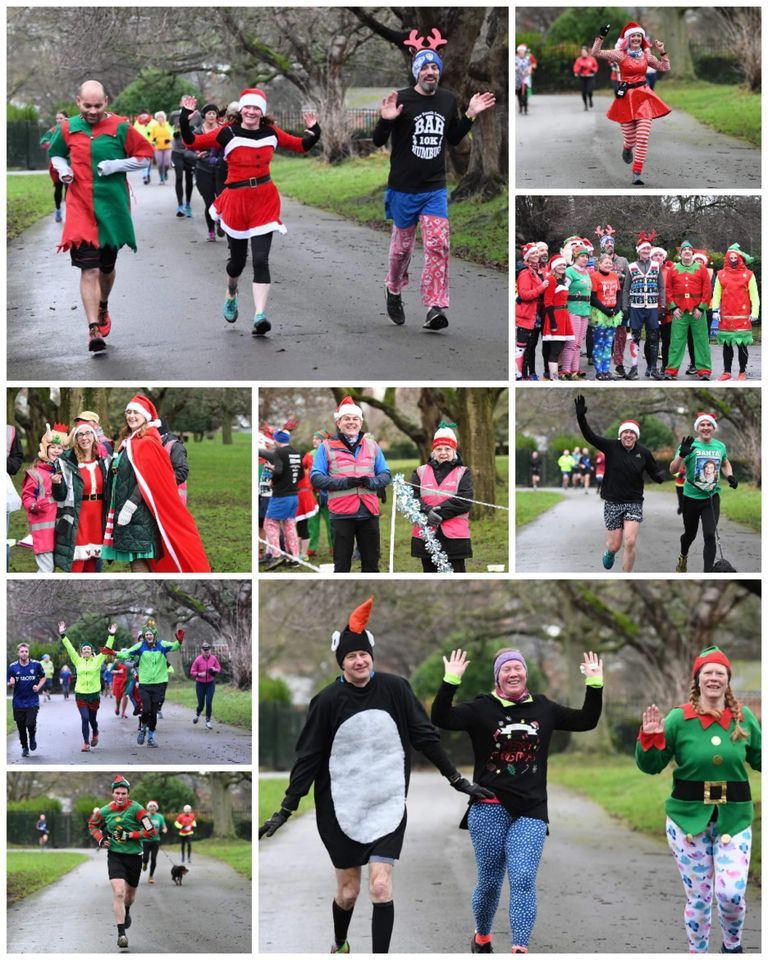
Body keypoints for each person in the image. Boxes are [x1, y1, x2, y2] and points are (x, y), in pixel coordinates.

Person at [259, 597, 491, 954]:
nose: (359, 660)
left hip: (386, 803)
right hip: (340, 808)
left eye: (363, 654)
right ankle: (340, 942)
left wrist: (456, 779)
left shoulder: (396, 689)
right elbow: (308, 759)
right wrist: (286, 809)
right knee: (348, 892)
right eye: (351, 656)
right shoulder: (326, 701)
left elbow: (425, 737)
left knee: (381, 886)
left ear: (371, 654)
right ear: (342, 662)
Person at [432, 647, 603, 953]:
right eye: (506, 669)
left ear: (525, 673)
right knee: (489, 883)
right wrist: (451, 680)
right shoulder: (482, 708)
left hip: (532, 809)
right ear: (497, 676)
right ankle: (482, 936)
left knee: (523, 877)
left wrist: (594, 683)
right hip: (489, 807)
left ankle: (519, 948)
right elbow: (441, 717)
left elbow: (586, 720)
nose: (513, 673)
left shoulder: (543, 708)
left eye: (517, 668)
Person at [637, 646, 760, 954]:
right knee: (700, 898)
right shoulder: (679, 719)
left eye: (720, 673)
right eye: (708, 673)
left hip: (735, 818)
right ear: (698, 680)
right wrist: (651, 738)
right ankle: (698, 952)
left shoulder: (743, 719)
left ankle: (732, 947)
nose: (714, 678)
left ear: (728, 680)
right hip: (686, 821)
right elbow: (652, 766)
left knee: (731, 894)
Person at [374, 30, 496, 331]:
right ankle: (393, 287)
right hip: (403, 189)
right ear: (417, 71)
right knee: (401, 250)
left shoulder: (446, 99)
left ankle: (434, 306)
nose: (431, 71)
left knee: (439, 245)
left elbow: (453, 138)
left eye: (435, 68)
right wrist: (385, 119)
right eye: (425, 67)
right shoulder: (400, 99)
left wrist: (468, 114)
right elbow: (378, 141)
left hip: (434, 189)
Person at [180, 90, 320, 336]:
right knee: (237, 262)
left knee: (260, 259)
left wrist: (314, 130)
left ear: (262, 112)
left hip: (264, 199)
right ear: (241, 110)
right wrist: (185, 118)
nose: (252, 112)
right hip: (236, 200)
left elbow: (300, 146)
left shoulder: (272, 133)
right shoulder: (227, 132)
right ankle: (232, 290)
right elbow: (192, 143)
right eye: (248, 108)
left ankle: (259, 315)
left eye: (257, 108)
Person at [46, 80, 154, 352]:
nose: (92, 111)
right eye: (87, 105)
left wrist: (117, 164)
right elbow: (57, 154)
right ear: (78, 102)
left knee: (106, 267)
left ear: (106, 101)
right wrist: (63, 170)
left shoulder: (121, 127)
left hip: (111, 207)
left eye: (97, 105)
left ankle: (103, 304)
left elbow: (145, 157)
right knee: (89, 268)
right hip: (80, 205)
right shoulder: (67, 127)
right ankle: (93, 329)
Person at [101, 395, 210, 572]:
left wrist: (129, 506)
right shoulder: (131, 441)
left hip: (138, 511)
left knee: (138, 558)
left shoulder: (147, 442)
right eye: (128, 412)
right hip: (125, 506)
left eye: (136, 412)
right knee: (137, 558)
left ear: (146, 416)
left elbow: (149, 479)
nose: (131, 416)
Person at [574, 394, 665, 572]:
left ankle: (626, 575)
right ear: (620, 435)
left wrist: (660, 476)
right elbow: (590, 437)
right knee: (615, 545)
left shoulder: (644, 453)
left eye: (632, 433)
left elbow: (655, 471)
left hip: (634, 502)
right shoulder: (610, 447)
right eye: (625, 432)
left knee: (630, 542)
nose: (628, 435)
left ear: (636, 436)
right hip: (613, 502)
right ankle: (610, 552)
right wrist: (581, 417)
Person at [310, 397, 391, 573]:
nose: (351, 422)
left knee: (371, 566)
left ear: (361, 422)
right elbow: (316, 478)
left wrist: (373, 482)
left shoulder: (372, 446)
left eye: (355, 419)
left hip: (369, 513)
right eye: (346, 419)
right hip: (341, 515)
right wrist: (344, 483)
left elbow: (386, 474)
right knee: (341, 567)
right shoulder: (325, 447)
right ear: (339, 422)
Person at [591, 21, 670, 185]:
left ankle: (637, 172)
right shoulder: (620, 54)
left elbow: (664, 68)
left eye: (638, 36)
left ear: (642, 39)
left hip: (644, 97)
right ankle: (627, 147)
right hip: (626, 98)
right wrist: (601, 36)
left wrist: (662, 52)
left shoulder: (646, 56)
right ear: (628, 39)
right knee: (631, 139)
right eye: (633, 35)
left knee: (642, 138)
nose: (636, 38)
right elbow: (595, 52)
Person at [88, 774, 157, 949]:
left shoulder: (137, 809)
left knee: (129, 896)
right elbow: (92, 825)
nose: (120, 796)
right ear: (112, 794)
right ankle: (121, 934)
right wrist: (101, 839)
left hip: (134, 856)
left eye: (123, 793)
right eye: (117, 793)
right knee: (118, 892)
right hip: (115, 856)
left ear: (128, 794)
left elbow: (152, 831)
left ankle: (127, 912)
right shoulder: (104, 811)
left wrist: (130, 835)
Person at [669, 413, 737, 573]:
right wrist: (681, 455)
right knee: (689, 535)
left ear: (713, 428)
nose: (706, 427)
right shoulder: (689, 445)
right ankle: (683, 557)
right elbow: (672, 470)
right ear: (698, 428)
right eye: (702, 425)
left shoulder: (720, 446)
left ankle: (708, 573)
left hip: (711, 497)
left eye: (709, 425)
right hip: (691, 497)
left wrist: (730, 475)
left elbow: (725, 463)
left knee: (709, 535)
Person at [111, 617, 184, 748]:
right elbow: (126, 654)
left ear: (154, 635)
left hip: (159, 683)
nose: (148, 636)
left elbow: (175, 646)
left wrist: (179, 641)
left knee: (154, 712)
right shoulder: (140, 646)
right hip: (145, 684)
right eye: (146, 635)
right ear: (144, 636)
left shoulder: (162, 645)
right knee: (146, 710)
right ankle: (143, 728)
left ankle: (151, 737)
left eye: (150, 634)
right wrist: (113, 653)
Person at [410, 422, 473, 573]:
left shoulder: (463, 472)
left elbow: (464, 500)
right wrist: (427, 512)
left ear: (454, 450)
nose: (443, 452)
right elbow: (413, 498)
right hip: (426, 535)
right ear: (433, 451)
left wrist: (438, 514)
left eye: (447, 449)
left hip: (454, 536)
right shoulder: (420, 472)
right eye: (439, 449)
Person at [52, 420, 110, 572]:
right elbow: (60, 496)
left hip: (98, 516)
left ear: (94, 436)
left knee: (93, 563)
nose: (85, 438)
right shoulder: (66, 463)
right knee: (77, 564)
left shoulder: (105, 461)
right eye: (80, 435)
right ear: (76, 439)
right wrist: (57, 485)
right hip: (78, 516)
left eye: (88, 433)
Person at [58, 619, 117, 751]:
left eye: (88, 649)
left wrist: (111, 635)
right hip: (81, 695)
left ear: (91, 651)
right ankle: (86, 743)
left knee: (92, 719)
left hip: (94, 695)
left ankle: (95, 732)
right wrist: (63, 635)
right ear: (81, 651)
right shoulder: (77, 660)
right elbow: (69, 648)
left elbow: (107, 649)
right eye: (84, 649)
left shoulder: (97, 660)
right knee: (85, 718)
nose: (86, 650)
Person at [21, 422, 69, 573]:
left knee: (51, 569)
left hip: (59, 529)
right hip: (42, 527)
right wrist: (35, 506)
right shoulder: (36, 473)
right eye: (53, 447)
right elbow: (27, 497)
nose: (56, 451)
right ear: (45, 448)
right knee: (46, 569)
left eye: (59, 448)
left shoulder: (66, 472)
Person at [664, 241, 712, 380]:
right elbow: (668, 290)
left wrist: (702, 308)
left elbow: (707, 290)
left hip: (697, 312)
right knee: (676, 341)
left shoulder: (701, 268)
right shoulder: (674, 269)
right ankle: (671, 370)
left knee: (701, 341)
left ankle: (704, 370)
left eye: (689, 250)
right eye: (684, 250)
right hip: (680, 312)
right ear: (681, 253)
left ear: (692, 253)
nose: (686, 252)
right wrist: (673, 307)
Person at [621, 234, 666, 380]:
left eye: (648, 248)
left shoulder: (656, 266)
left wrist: (663, 305)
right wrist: (625, 307)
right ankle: (634, 368)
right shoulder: (632, 267)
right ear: (639, 251)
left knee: (653, 337)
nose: (646, 251)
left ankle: (653, 368)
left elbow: (661, 287)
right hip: (636, 307)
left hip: (652, 307)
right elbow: (626, 289)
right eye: (644, 249)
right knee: (635, 337)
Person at [259, 428, 304, 571]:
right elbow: (301, 474)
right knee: (290, 526)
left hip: (281, 496)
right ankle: (294, 558)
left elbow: (278, 470)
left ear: (277, 440)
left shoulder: (279, 452)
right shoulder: (296, 452)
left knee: (269, 524)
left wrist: (273, 476)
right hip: (293, 496)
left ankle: (276, 555)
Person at [713, 243, 759, 382]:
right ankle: (726, 372)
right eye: (730, 258)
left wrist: (755, 311)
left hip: (742, 315)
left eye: (735, 258)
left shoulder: (748, 275)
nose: (733, 260)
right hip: (726, 315)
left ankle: (742, 371)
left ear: (739, 258)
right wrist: (715, 309)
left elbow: (754, 295)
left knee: (742, 345)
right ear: (727, 258)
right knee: (727, 345)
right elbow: (716, 294)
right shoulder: (721, 274)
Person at [191, 102, 224, 241]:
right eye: (209, 113)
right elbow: (189, 148)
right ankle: (211, 230)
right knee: (209, 202)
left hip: (220, 170)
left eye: (214, 113)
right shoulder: (198, 131)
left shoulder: (223, 130)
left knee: (222, 201)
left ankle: (221, 222)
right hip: (203, 170)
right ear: (204, 116)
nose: (211, 116)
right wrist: (196, 155)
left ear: (217, 116)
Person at [7, 643, 46, 758]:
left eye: (26, 651)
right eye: (22, 651)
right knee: (21, 727)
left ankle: (32, 737)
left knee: (30, 723)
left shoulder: (36, 665)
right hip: (18, 702)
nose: (24, 653)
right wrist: (10, 683)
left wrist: (38, 687)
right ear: (18, 653)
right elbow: (8, 682)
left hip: (32, 701)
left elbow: (43, 677)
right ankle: (24, 747)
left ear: (28, 652)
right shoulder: (12, 667)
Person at [515, 244, 548, 380]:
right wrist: (541, 288)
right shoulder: (525, 273)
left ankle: (526, 375)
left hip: (536, 314)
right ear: (527, 257)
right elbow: (523, 295)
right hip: (526, 314)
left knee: (529, 345)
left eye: (537, 253)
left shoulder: (536, 272)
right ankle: (520, 375)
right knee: (523, 347)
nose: (536, 255)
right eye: (533, 253)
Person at [589, 252, 623, 380]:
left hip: (613, 313)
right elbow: (593, 297)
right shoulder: (594, 276)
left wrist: (617, 308)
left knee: (609, 344)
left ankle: (606, 369)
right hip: (600, 313)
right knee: (599, 343)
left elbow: (618, 293)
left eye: (610, 263)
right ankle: (599, 371)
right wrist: (605, 310)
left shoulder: (614, 276)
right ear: (599, 264)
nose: (608, 265)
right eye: (606, 263)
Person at [541, 255, 574, 380]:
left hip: (564, 316)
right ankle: (554, 377)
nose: (562, 267)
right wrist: (553, 323)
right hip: (555, 317)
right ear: (554, 267)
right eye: (560, 265)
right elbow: (548, 302)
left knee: (560, 348)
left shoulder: (563, 281)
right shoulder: (551, 280)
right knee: (554, 350)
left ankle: (556, 375)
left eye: (564, 265)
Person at [306, 431, 333, 557]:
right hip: (312, 494)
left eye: (317, 438)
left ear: (323, 441)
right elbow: (303, 471)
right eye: (313, 438)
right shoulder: (309, 455)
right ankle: (311, 547)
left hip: (327, 494)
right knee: (312, 522)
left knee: (331, 522)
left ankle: (334, 547)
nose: (314, 440)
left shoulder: (331, 454)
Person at [39, 110, 69, 222]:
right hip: (56, 164)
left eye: (61, 118)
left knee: (69, 188)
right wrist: (48, 143)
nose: (58, 120)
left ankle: (69, 212)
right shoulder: (53, 129)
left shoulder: (71, 129)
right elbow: (43, 140)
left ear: (66, 119)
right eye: (57, 118)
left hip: (68, 163)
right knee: (58, 188)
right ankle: (58, 211)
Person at [169, 107, 197, 217]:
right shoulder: (176, 119)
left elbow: (197, 136)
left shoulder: (194, 122)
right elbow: (171, 131)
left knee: (189, 180)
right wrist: (175, 133)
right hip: (177, 154)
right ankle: (180, 206)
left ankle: (188, 205)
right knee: (179, 178)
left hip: (188, 154)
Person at [190, 641, 221, 729]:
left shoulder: (214, 658)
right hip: (200, 684)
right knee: (201, 704)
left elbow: (219, 668)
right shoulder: (198, 659)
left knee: (209, 702)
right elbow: (192, 672)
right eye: (204, 650)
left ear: (210, 650)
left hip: (210, 683)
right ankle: (197, 714)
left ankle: (208, 720)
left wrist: (215, 669)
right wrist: (199, 674)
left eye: (208, 650)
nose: (206, 652)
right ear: (201, 651)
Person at [141, 800, 167, 884]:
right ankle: (144, 863)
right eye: (150, 806)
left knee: (153, 858)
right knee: (145, 858)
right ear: (148, 808)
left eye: (154, 806)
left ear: (156, 808)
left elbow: (164, 827)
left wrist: (164, 830)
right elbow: (143, 827)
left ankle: (151, 876)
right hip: (145, 840)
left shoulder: (160, 817)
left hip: (156, 840)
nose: (152, 808)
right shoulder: (145, 816)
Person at [149, 110, 173, 184]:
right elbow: (151, 136)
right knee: (159, 164)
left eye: (161, 117)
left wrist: (169, 140)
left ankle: (165, 172)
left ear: (164, 118)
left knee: (166, 163)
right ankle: (161, 178)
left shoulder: (168, 125)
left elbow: (172, 133)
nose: (160, 119)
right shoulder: (154, 127)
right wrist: (154, 140)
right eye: (158, 117)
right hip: (158, 147)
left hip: (167, 147)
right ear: (156, 119)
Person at [573, 45, 599, 110]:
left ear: (587, 52)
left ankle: (590, 99)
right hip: (582, 77)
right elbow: (575, 69)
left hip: (590, 77)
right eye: (582, 52)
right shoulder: (578, 60)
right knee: (583, 92)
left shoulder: (592, 59)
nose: (583, 53)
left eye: (584, 52)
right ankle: (585, 105)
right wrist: (580, 68)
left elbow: (596, 66)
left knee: (589, 90)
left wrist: (592, 70)